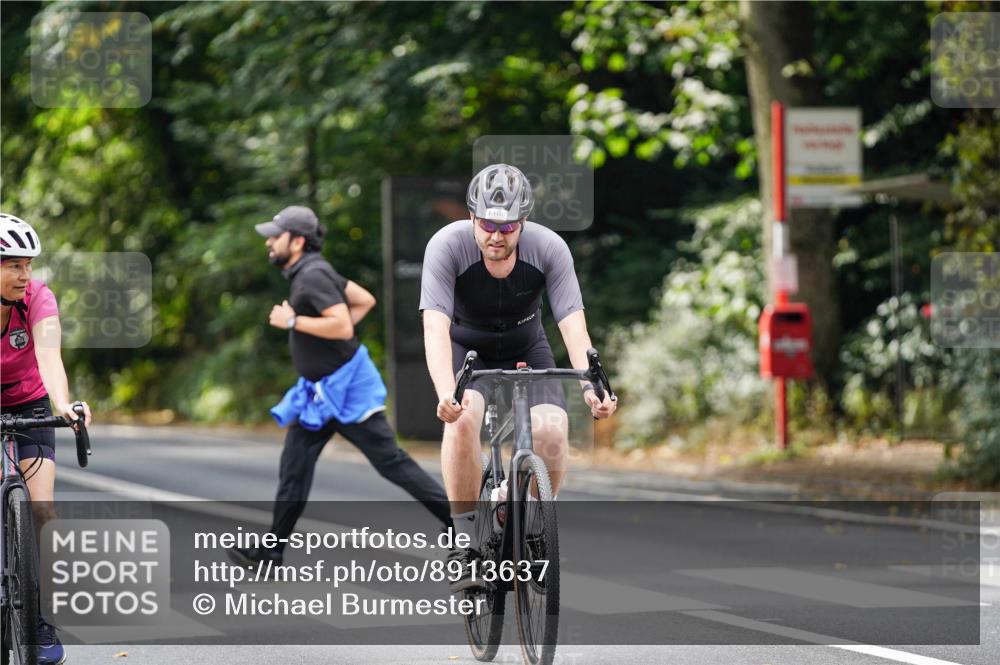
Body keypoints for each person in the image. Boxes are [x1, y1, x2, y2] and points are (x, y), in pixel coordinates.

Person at [419, 164, 616, 592]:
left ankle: (533, 526)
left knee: (552, 431)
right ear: (472, 217)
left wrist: (591, 386)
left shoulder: (549, 248)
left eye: (507, 226)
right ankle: (464, 541)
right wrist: (444, 392)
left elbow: (573, 325)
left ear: (523, 222)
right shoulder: (446, 246)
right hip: (466, 350)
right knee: (464, 418)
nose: (496, 235)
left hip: (527, 349)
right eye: (487, 223)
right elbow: (435, 327)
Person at [228, 206, 452, 567]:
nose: (269, 242)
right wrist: (325, 334)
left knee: (391, 462)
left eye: (275, 235)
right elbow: (364, 300)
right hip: (319, 393)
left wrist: (294, 321)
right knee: (294, 469)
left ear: (297, 240)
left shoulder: (312, 276)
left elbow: (343, 326)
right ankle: (271, 552)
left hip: (348, 391)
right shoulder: (313, 271)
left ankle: (458, 522)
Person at [1, 212, 92, 665]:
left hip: (31, 402)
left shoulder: (38, 297)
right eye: (12, 264)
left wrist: (64, 404)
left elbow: (49, 355)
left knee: (42, 509)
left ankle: (40, 617)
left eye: (28, 263)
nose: (24, 274)